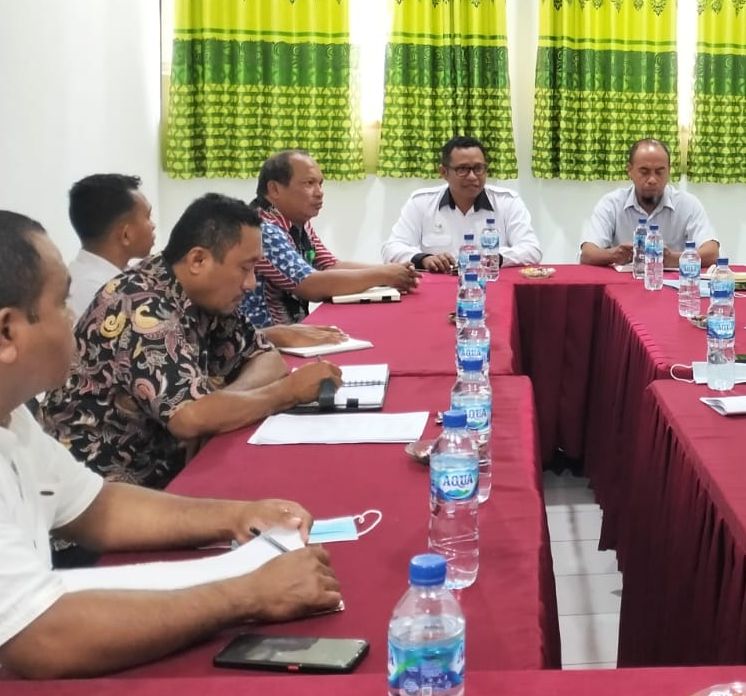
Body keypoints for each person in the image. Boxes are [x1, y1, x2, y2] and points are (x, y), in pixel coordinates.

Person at [0, 209, 342, 696]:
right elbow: (46, 639)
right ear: (6, 333)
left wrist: (235, 515)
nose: (76, 316)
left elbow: (96, 507)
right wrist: (247, 593)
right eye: (61, 302)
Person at [38, 194, 340, 490]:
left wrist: (220, 407)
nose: (250, 283)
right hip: (103, 500)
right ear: (198, 260)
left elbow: (266, 357)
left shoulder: (204, 292)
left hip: (166, 476)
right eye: (245, 268)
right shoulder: (139, 305)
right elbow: (190, 418)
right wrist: (286, 393)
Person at [240, 150, 418, 341]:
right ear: (274, 189)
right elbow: (309, 284)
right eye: (309, 183)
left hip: (296, 333)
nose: (319, 192)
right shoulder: (262, 229)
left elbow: (331, 265)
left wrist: (393, 271)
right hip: (265, 342)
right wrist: (384, 274)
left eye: (320, 183)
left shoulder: (297, 222)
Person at [382, 136, 542, 270]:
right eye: (463, 169)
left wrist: (493, 258)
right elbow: (391, 248)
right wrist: (423, 258)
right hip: (436, 288)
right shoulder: (421, 202)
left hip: (488, 286)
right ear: (444, 172)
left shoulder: (507, 201)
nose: (472, 177)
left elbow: (531, 250)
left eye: (479, 168)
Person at [579, 138, 719, 268]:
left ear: (669, 170)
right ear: (630, 170)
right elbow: (587, 254)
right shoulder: (611, 204)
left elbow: (712, 253)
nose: (652, 179)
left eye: (659, 172)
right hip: (623, 286)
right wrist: (615, 254)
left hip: (671, 289)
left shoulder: (688, 204)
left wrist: (673, 259)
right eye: (644, 172)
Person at [65, 173, 155, 318]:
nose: (153, 225)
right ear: (126, 235)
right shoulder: (94, 289)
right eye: (148, 217)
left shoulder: (121, 276)